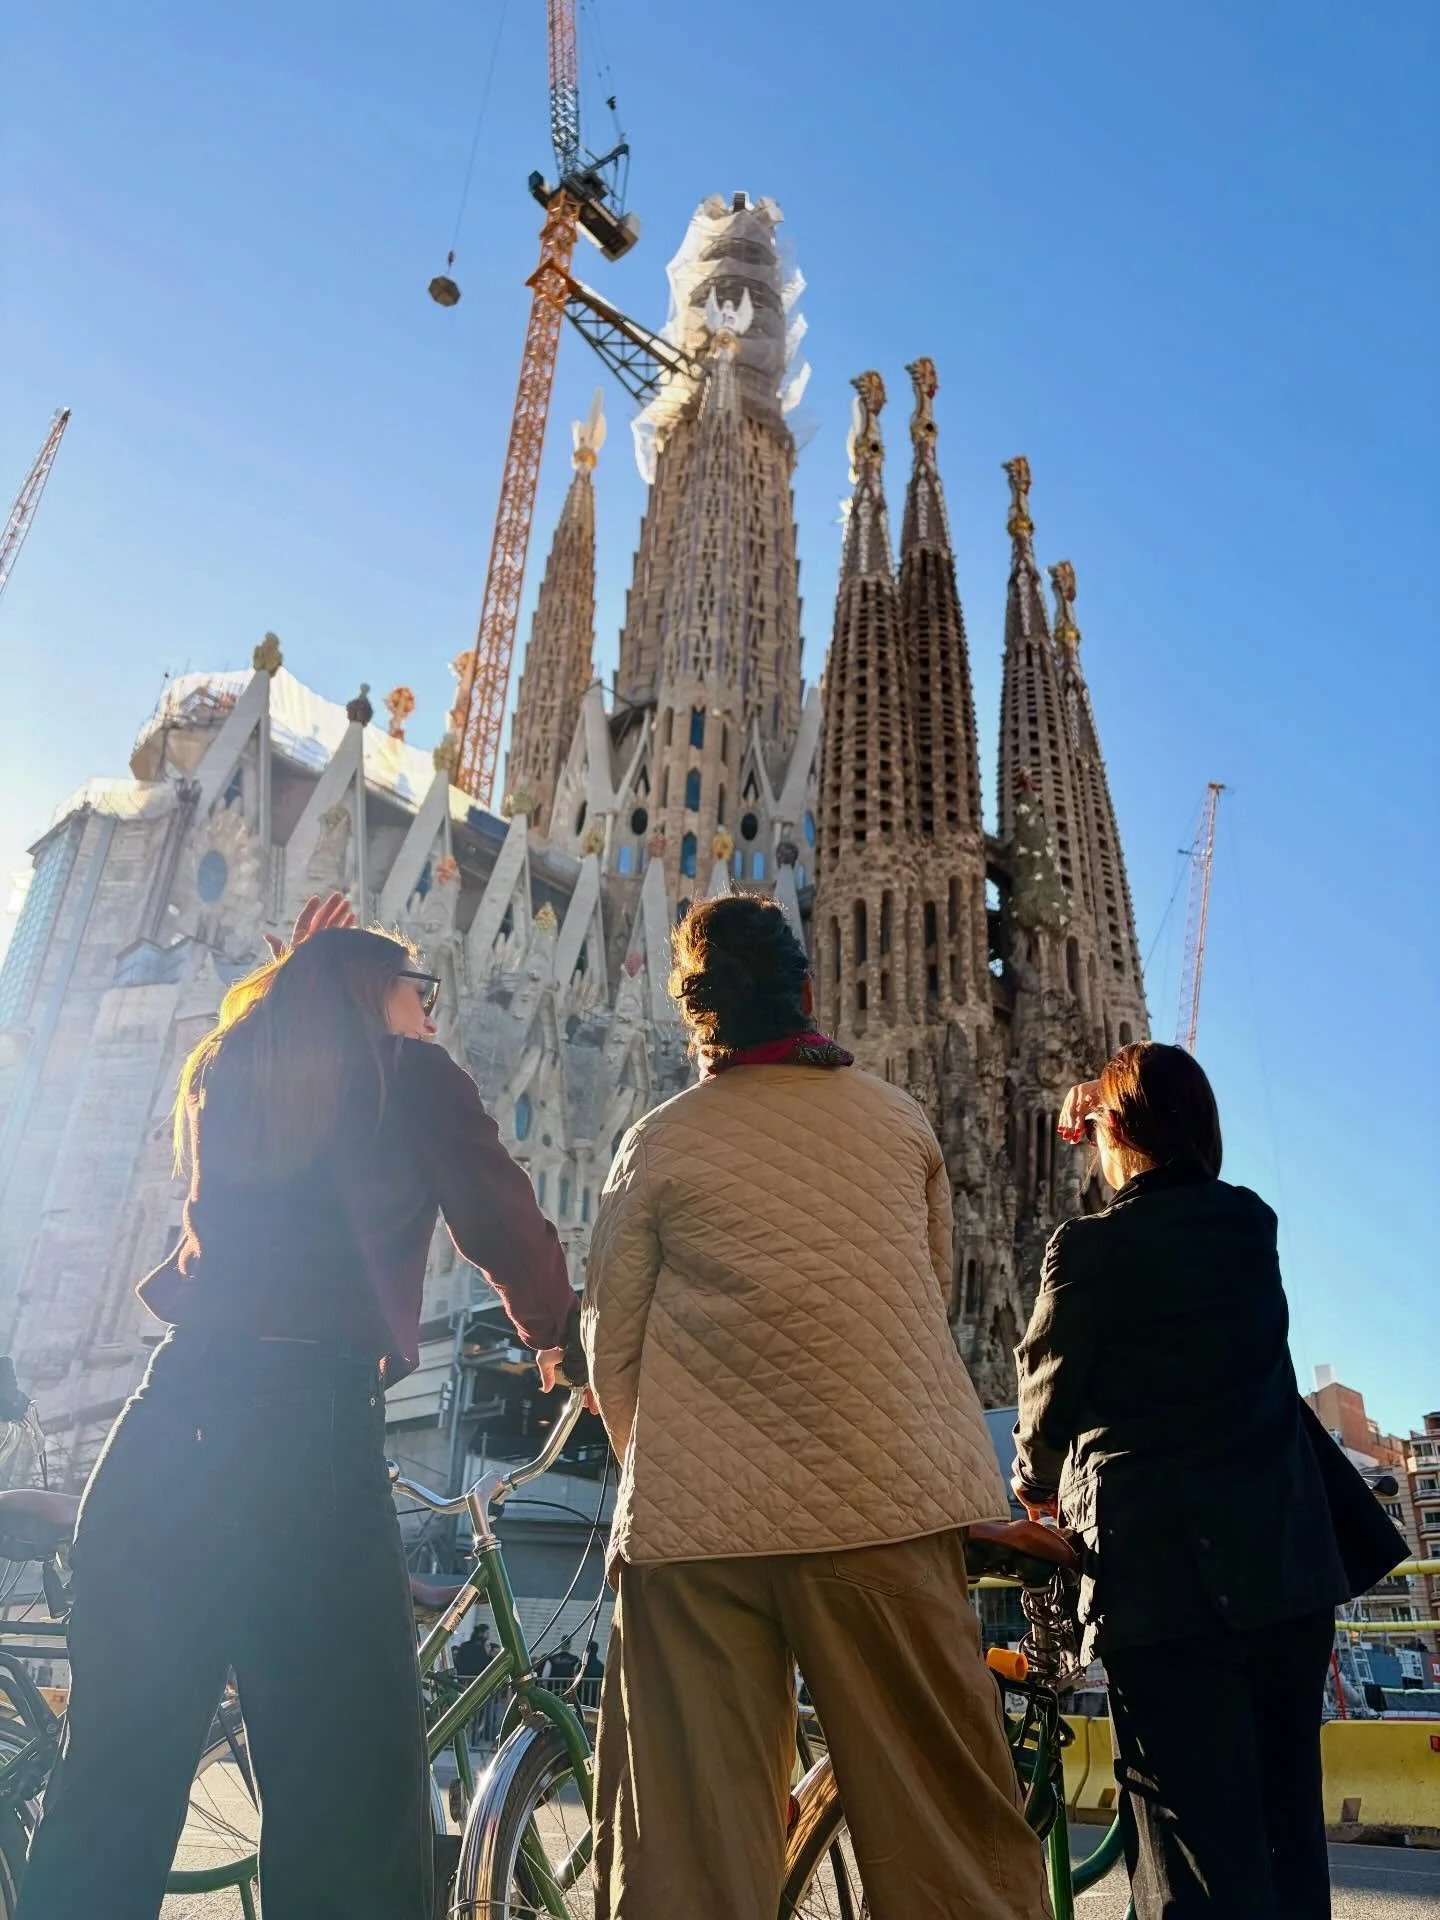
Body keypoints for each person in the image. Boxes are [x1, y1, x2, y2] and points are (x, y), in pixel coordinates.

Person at [17, 898, 583, 1920]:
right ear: (379, 994)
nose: (434, 1016)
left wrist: (303, 978)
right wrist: (562, 1336)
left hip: (164, 1429)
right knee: (348, 1803)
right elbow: (504, 1223)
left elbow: (287, 1080)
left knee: (111, 1795)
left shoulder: (229, 1073)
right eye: (424, 993)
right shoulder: (409, 1078)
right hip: (302, 1443)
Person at [583, 894, 1049, 1920]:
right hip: (885, 1507)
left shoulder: (657, 1143)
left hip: (698, 1538)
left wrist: (659, 1476)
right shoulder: (898, 1123)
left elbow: (612, 1346)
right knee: (945, 1825)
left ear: (696, 1016)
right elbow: (921, 1298)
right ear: (806, 992)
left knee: (686, 1848)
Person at [1012, 1041, 1406, 1920]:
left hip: (1168, 1585)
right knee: (1281, 1832)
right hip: (1284, 1570)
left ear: (1111, 1131)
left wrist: (1034, 1491)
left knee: (1190, 1846)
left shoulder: (1088, 1250)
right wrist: (1115, 1106)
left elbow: (1045, 1397)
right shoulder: (1248, 1224)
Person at [579, 1638, 605, 1711]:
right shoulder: (600, 1665)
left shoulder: (582, 1664)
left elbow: (576, 1676)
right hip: (596, 1697)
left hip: (582, 1696)